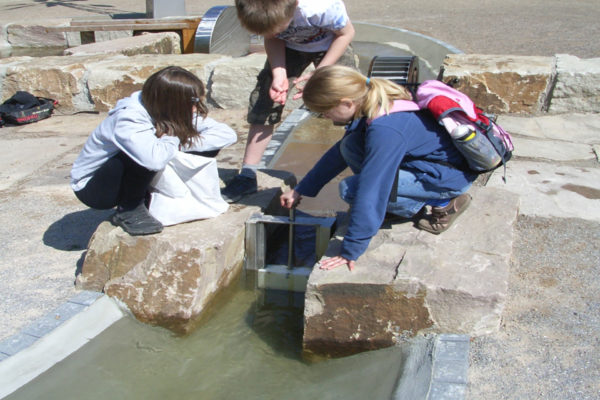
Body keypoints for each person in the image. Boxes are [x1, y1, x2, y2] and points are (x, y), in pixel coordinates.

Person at [280, 66, 477, 271]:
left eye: (325, 113)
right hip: (429, 166)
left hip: (447, 177)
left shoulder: (386, 129)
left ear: (346, 103)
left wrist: (351, 248)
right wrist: (301, 189)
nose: (326, 118)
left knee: (352, 189)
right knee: (350, 146)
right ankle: (393, 206)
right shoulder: (374, 103)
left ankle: (444, 203)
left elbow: (372, 189)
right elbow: (338, 154)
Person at [70, 66, 237, 236]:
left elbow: (227, 135)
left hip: (139, 163)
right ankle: (129, 207)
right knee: (145, 152)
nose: (195, 109)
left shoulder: (167, 110)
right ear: (173, 101)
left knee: (203, 147)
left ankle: (154, 197)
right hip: (95, 188)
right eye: (193, 103)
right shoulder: (129, 118)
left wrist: (177, 141)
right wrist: (169, 139)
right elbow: (153, 159)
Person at [221, 0, 356, 203]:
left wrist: (320, 73)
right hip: (289, 48)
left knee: (348, 99)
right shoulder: (262, 11)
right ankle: (248, 174)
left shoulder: (321, 7)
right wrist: (279, 73)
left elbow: (346, 34)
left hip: (331, 44)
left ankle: (363, 164)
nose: (273, 31)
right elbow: (273, 37)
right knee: (266, 100)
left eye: (278, 27)